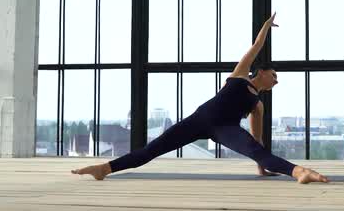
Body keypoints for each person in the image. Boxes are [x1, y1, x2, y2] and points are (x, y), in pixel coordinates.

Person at [72, 13, 329, 184]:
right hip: (198, 120)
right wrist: (265, 27)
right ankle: (104, 168)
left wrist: (261, 163)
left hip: (224, 129)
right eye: (274, 75)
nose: (276, 79)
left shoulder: (257, 105)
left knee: (257, 151)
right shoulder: (239, 75)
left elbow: (257, 141)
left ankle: (299, 172)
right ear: (260, 72)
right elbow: (255, 47)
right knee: (151, 150)